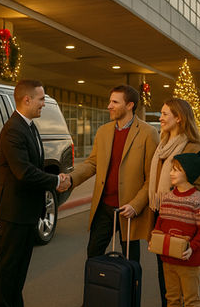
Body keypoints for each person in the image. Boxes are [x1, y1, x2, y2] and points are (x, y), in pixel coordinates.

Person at [0, 79, 69, 307]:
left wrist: (56, 179)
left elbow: (35, 166)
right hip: (15, 212)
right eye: (41, 99)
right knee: (8, 269)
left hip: (28, 211)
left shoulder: (29, 126)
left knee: (20, 269)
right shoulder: (12, 130)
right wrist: (56, 180)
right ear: (27, 99)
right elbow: (24, 173)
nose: (43, 104)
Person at [62, 84, 159, 262]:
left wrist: (135, 206)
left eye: (115, 102)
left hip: (129, 210)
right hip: (104, 206)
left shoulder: (148, 133)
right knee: (93, 254)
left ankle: (129, 290)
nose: (109, 106)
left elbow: (152, 178)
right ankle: (94, 290)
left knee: (131, 261)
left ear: (129, 105)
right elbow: (92, 163)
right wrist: (71, 178)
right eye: (109, 101)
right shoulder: (103, 131)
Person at [148, 98, 200, 307]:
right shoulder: (161, 146)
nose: (160, 118)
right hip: (161, 214)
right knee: (166, 277)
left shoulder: (193, 147)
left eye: (164, 114)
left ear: (179, 118)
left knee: (188, 289)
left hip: (185, 219)